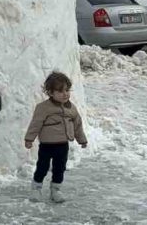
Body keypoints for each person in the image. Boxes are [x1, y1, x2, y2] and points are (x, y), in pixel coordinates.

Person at [24, 71, 87, 203]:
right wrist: (29, 139)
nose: (65, 94)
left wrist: (82, 140)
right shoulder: (43, 108)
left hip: (63, 145)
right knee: (42, 166)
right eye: (60, 91)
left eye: (67, 90)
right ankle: (36, 188)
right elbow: (35, 124)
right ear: (51, 93)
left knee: (60, 168)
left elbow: (78, 125)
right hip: (47, 145)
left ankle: (56, 190)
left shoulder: (71, 108)